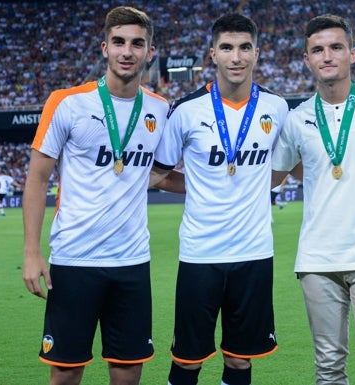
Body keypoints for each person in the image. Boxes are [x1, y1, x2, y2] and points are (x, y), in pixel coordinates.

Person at [22, 6, 171, 385]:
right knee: (67, 373)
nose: (127, 51)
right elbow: (37, 179)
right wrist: (32, 252)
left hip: (132, 261)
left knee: (128, 372)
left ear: (149, 52)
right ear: (104, 47)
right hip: (74, 260)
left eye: (137, 43)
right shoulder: (67, 102)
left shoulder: (160, 109)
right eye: (119, 42)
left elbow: (158, 175)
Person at [153, 13, 288, 385]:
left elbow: (283, 166)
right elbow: (159, 173)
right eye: (227, 48)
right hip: (201, 254)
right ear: (213, 53)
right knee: (187, 360)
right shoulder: (185, 111)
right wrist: (198, 184)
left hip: (254, 253)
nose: (236, 57)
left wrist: (260, 183)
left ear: (257, 53)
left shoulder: (277, 109)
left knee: (241, 361)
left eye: (245, 47)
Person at [271, 14, 355, 385]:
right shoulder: (297, 120)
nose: (327, 55)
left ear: (353, 53)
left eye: (335, 47)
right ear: (307, 59)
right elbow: (276, 174)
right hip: (317, 260)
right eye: (318, 49)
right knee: (328, 369)